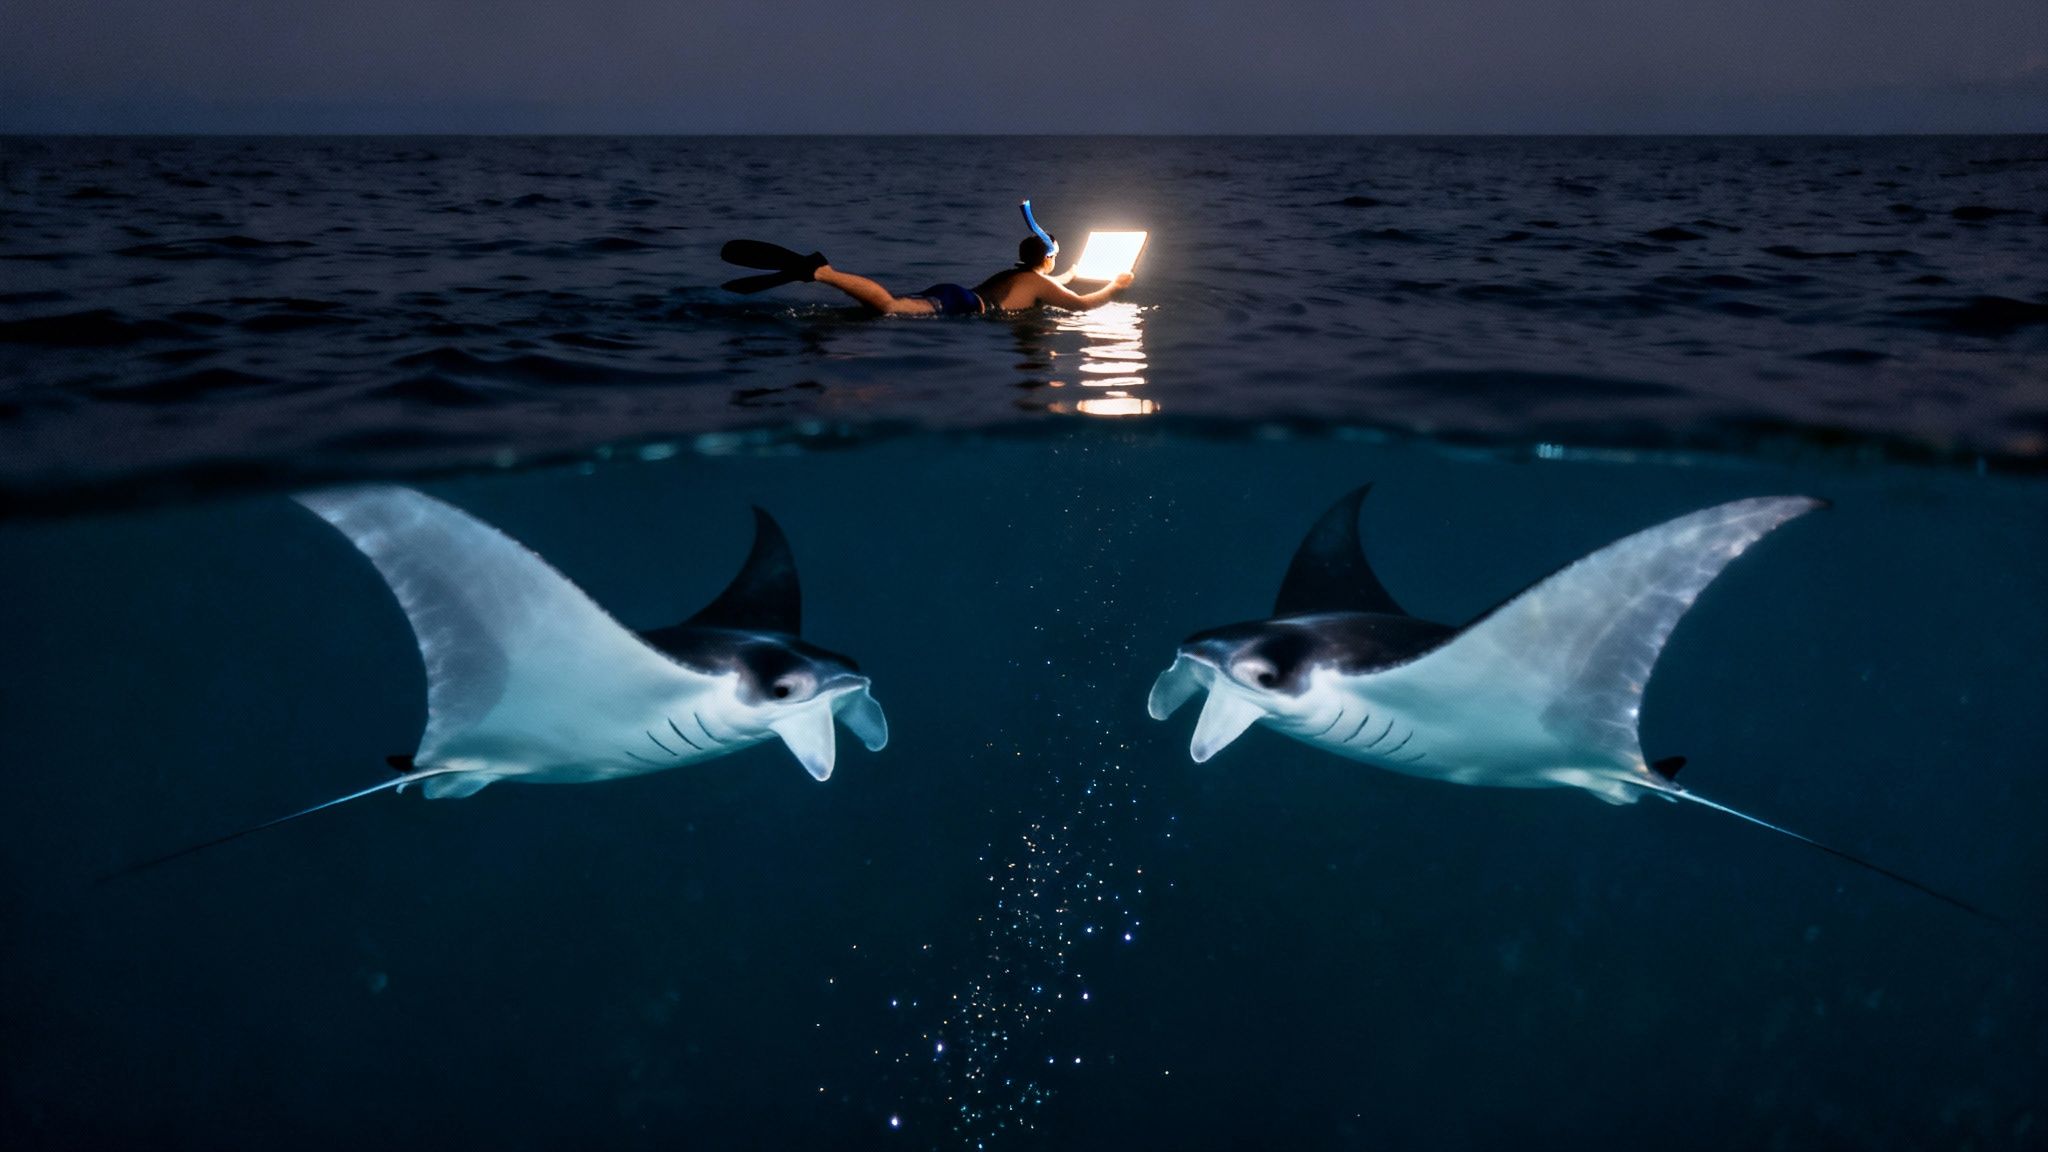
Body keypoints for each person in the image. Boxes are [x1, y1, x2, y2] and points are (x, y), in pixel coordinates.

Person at [813, 235, 1134, 317]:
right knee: (889, 307)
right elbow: (1081, 306)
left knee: (890, 306)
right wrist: (1114, 286)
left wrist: (1070, 274)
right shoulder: (1038, 283)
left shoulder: (1017, 275)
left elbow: (1045, 285)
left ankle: (828, 275)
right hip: (965, 306)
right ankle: (826, 273)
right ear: (1047, 259)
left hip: (955, 293)